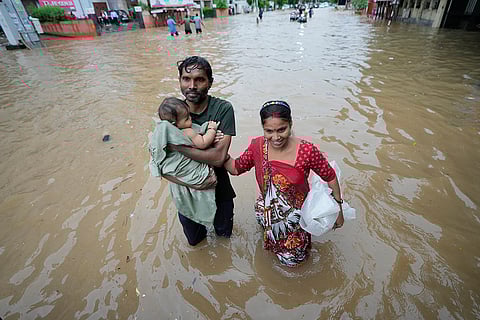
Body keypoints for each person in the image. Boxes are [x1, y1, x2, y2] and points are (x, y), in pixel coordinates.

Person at [223, 100, 344, 267]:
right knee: (268, 249)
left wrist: (338, 209)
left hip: (295, 220)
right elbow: (236, 168)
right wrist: (216, 150)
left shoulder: (307, 151)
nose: (276, 137)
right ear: (263, 128)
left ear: (290, 124)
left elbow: (329, 176)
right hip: (265, 211)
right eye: (269, 131)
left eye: (282, 130)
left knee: (293, 265)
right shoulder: (257, 146)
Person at [164, 56, 237, 246]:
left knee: (224, 239)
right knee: (196, 242)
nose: (192, 85)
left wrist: (178, 146)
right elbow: (161, 161)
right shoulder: (171, 112)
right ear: (179, 81)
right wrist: (208, 144)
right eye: (186, 79)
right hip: (187, 195)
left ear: (210, 82)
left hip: (219, 191)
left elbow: (218, 158)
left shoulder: (222, 109)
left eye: (199, 79)